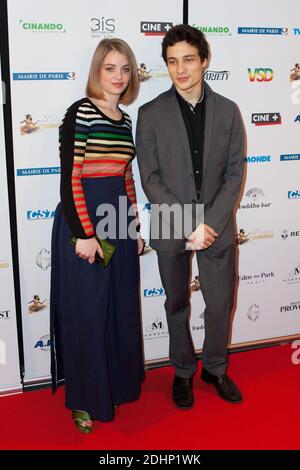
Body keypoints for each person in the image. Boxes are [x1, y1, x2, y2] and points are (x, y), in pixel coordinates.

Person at [136, 25, 244, 410]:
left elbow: (234, 173)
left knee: (219, 303)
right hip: (170, 224)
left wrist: (209, 224)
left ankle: (215, 368)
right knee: (176, 303)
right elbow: (150, 178)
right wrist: (189, 224)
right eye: (172, 61)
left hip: (217, 226)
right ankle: (182, 371)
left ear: (204, 60)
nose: (180, 69)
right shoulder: (149, 114)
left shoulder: (229, 111)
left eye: (188, 60)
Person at [50, 38, 145, 433]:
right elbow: (70, 178)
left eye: (125, 69)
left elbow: (126, 176)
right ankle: (85, 401)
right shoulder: (80, 113)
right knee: (87, 314)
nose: (119, 76)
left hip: (118, 221)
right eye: (110, 68)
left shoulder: (124, 120)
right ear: (97, 71)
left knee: (119, 307)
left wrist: (135, 226)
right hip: (84, 222)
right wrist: (85, 234)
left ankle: (116, 386)